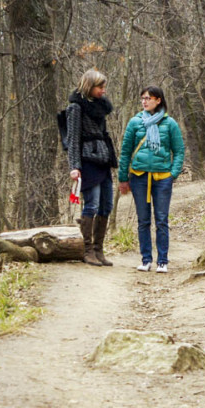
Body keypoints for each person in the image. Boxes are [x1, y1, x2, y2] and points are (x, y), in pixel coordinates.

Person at [118, 86, 185, 273]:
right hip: (139, 177)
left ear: (159, 100)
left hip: (162, 178)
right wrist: (123, 178)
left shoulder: (170, 123)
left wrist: (173, 174)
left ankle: (162, 260)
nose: (144, 101)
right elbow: (125, 152)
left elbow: (179, 151)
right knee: (143, 220)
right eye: (142, 98)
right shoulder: (134, 122)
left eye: (148, 98)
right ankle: (146, 259)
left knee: (162, 219)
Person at [67, 69, 118, 266]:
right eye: (100, 87)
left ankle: (98, 249)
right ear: (90, 86)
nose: (103, 91)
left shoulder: (100, 108)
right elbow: (72, 139)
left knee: (107, 205)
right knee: (92, 204)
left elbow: (103, 134)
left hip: (103, 159)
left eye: (104, 87)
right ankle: (87, 250)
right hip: (87, 161)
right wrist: (74, 166)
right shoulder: (75, 108)